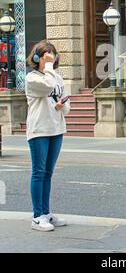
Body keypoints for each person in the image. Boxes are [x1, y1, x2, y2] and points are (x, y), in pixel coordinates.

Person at [26, 40, 70, 231]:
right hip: (39, 129)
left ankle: (46, 212)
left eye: (53, 55)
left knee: (48, 173)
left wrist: (62, 106)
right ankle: (37, 216)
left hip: (56, 128)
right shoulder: (32, 78)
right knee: (39, 171)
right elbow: (46, 86)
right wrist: (49, 68)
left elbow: (66, 104)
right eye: (46, 55)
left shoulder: (57, 78)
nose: (51, 58)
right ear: (37, 58)